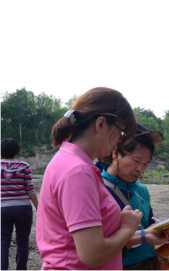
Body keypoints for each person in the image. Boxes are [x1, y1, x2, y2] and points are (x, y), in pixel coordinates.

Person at [35, 87, 143, 269]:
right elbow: (92, 254)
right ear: (101, 124)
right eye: (121, 132)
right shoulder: (78, 171)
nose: (120, 140)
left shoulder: (68, 160)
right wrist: (127, 228)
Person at [100, 124, 169, 269]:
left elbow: (148, 224)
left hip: (150, 263)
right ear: (115, 153)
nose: (140, 169)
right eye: (136, 161)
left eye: (145, 164)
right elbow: (95, 245)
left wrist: (163, 231)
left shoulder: (142, 190)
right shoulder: (98, 190)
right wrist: (142, 236)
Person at [1, 139, 38, 270]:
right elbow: (30, 190)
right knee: (23, 240)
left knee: (3, 240)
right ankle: (21, 268)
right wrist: (38, 207)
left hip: (3, 209)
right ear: (17, 151)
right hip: (23, 208)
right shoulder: (24, 166)